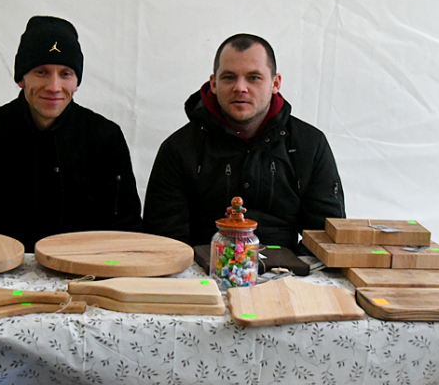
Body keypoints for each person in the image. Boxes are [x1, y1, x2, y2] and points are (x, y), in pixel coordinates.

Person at [0, 16, 142, 251]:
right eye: (41, 72)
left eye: (65, 74)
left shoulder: (105, 137)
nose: (54, 87)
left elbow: (126, 228)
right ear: (21, 79)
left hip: (85, 274)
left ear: (77, 81)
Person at [143, 33, 344, 251]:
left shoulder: (309, 146)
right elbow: (165, 242)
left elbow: (325, 238)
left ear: (275, 83)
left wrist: (286, 273)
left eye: (254, 77)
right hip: (199, 274)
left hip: (290, 274)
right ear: (213, 83)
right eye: (229, 77)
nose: (240, 87)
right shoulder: (179, 149)